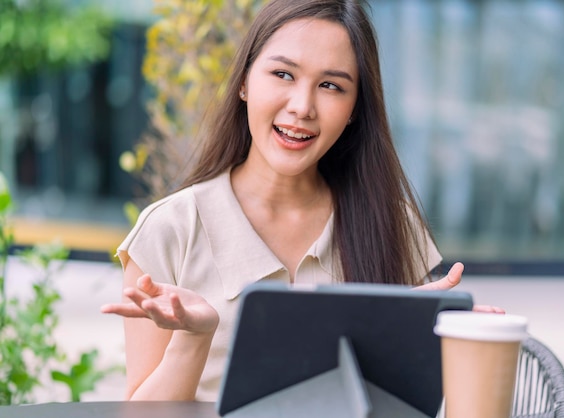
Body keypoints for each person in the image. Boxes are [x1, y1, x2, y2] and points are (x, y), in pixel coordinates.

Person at [101, 0, 502, 402]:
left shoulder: (390, 222)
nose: (302, 107)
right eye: (282, 74)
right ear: (243, 82)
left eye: (331, 85)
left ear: (353, 111)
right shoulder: (170, 230)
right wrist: (193, 339)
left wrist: (414, 336)